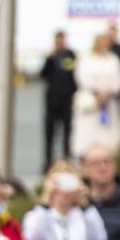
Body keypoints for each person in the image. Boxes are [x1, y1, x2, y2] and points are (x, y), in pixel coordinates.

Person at [39, 31, 79, 165]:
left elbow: (74, 74)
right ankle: (48, 162)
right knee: (50, 134)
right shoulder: (51, 57)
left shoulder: (70, 55)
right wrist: (50, 58)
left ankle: (67, 159)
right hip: (52, 101)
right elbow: (43, 75)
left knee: (67, 133)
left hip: (67, 101)